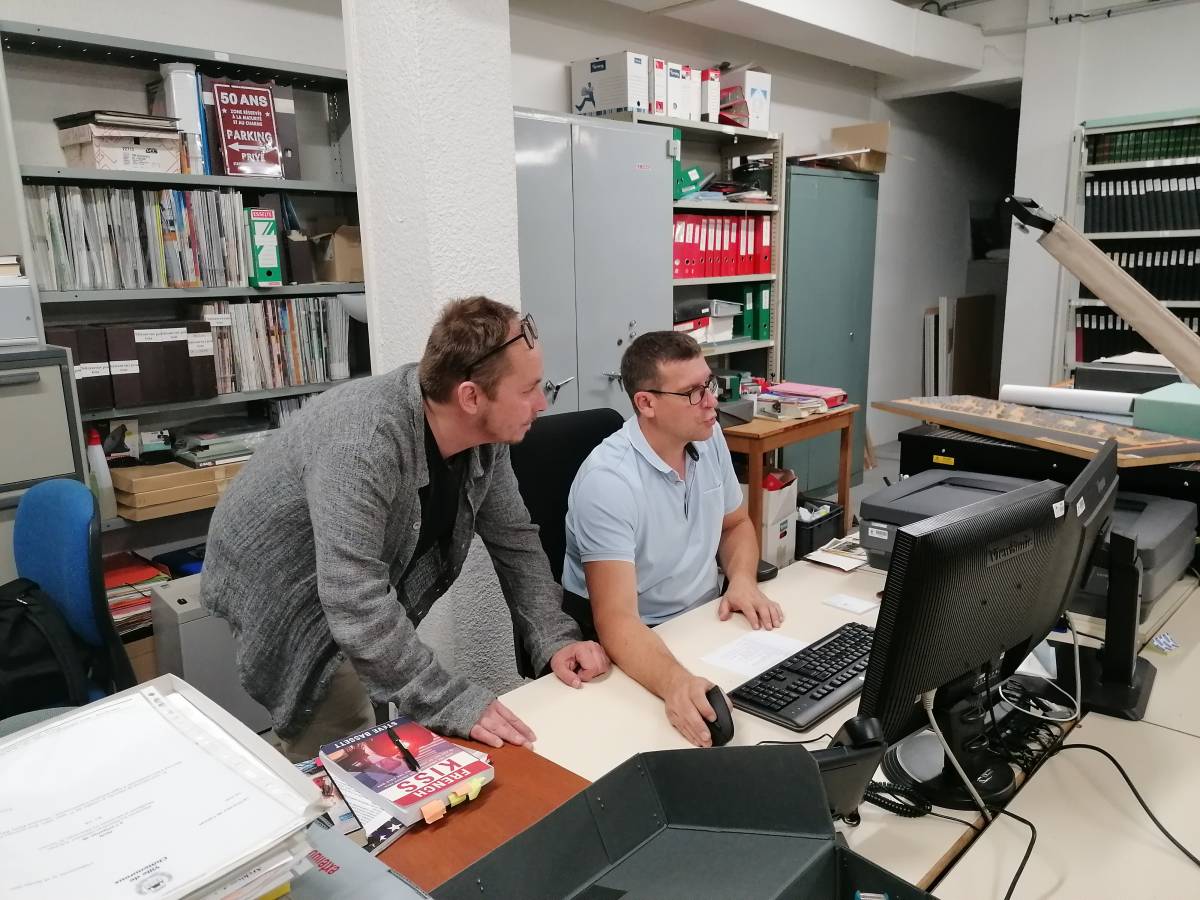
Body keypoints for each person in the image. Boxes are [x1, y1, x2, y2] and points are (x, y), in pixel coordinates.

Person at [203, 296, 609, 762]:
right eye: (528, 389)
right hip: (279, 580)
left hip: (344, 579)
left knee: (379, 699)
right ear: (471, 397)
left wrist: (554, 637)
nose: (541, 403)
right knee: (347, 749)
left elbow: (515, 540)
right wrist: (451, 700)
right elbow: (354, 600)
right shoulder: (363, 443)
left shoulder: (484, 438)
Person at [562, 331, 783, 748]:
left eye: (709, 384)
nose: (711, 401)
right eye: (693, 393)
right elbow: (617, 621)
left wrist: (741, 581)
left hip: (705, 623)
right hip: (640, 641)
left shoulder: (708, 437)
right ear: (646, 403)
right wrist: (677, 684)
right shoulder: (608, 482)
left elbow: (735, 525)